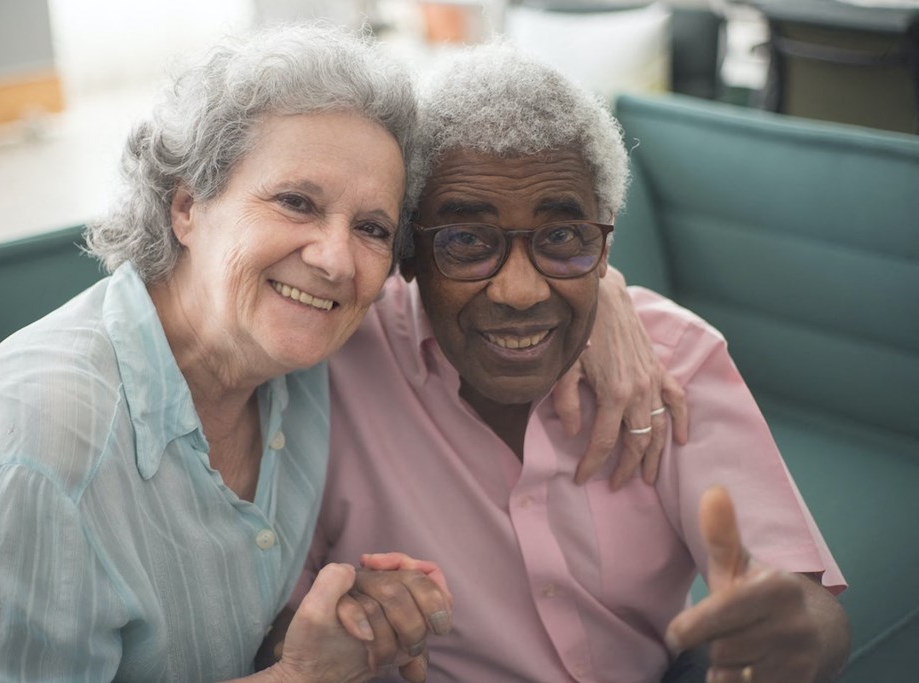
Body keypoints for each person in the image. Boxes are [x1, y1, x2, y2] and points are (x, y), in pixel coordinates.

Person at [0, 25, 680, 683]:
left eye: (372, 227)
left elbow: (494, 283)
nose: (336, 260)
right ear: (188, 206)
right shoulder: (42, 449)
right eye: (296, 202)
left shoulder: (302, 356)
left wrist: (606, 295)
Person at [292, 43, 850, 682]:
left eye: (561, 237)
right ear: (408, 253)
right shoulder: (333, 356)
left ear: (605, 240)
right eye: (467, 241)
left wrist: (796, 631)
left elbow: (802, 603)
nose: (520, 291)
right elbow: (276, 629)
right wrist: (348, 616)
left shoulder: (675, 359)